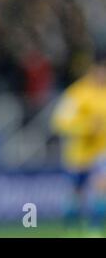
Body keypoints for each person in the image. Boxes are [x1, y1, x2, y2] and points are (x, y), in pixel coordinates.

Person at [52, 50, 106, 234]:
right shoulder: (78, 92)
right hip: (78, 153)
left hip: (101, 151)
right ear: (94, 69)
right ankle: (70, 228)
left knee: (102, 186)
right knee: (76, 194)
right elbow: (60, 122)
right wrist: (86, 127)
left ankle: (95, 229)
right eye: (102, 69)